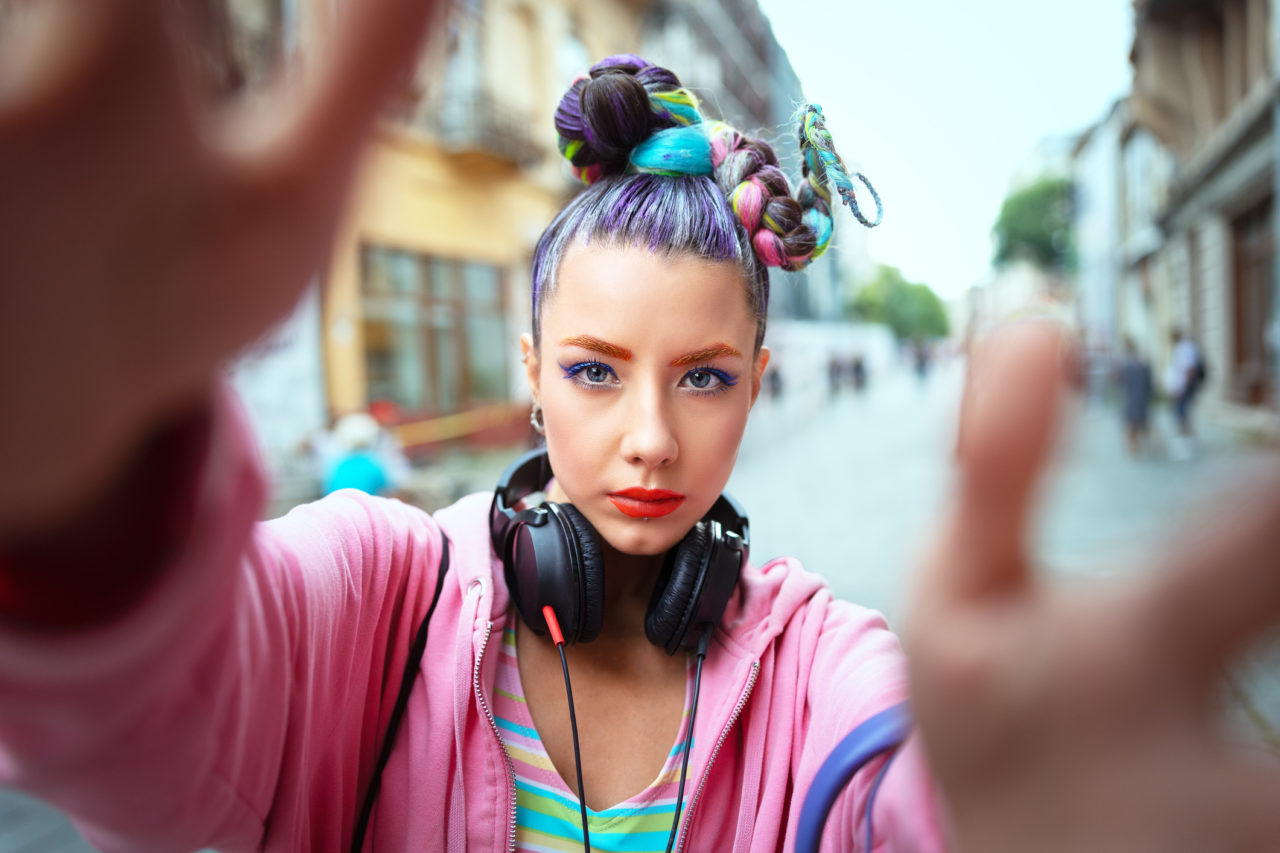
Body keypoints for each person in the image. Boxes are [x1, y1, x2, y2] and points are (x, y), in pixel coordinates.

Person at [2, 7, 1280, 853]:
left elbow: (903, 780)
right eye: (594, 370)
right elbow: (156, 703)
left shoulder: (817, 667)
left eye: (705, 378)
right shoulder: (377, 601)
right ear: (530, 375)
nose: (650, 440)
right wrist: (80, 484)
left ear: (765, 379)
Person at [1166, 327, 1205, 458]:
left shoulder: (1183, 348)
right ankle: (1189, 436)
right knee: (1184, 411)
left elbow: (1189, 369)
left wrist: (1184, 387)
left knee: (1181, 411)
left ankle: (1186, 439)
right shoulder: (1186, 347)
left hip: (1184, 386)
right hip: (1184, 385)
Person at [1115, 337, 1154, 457]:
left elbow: (1119, 382)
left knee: (1132, 424)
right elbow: (1149, 384)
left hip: (1131, 398)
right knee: (1141, 422)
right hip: (1140, 398)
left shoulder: (1126, 365)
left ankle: (1134, 447)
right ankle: (1141, 446)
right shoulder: (1143, 364)